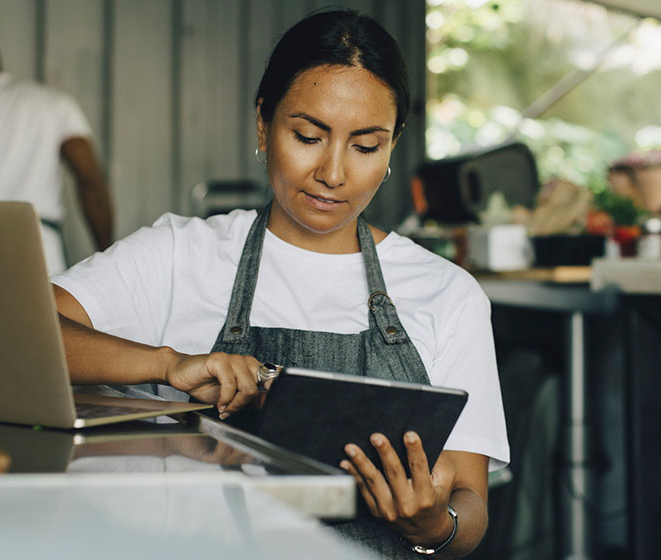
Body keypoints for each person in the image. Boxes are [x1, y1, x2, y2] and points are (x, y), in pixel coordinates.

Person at [50, 9, 509, 558]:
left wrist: (434, 527)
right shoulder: (180, 255)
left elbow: (469, 505)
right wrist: (166, 364)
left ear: (392, 146)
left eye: (366, 147)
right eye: (309, 136)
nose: (333, 173)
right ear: (263, 125)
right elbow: (17, 333)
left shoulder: (447, 292)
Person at [0, 36, 113, 275]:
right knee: (35, 312)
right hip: (36, 250)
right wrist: (106, 255)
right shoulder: (53, 103)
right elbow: (90, 181)